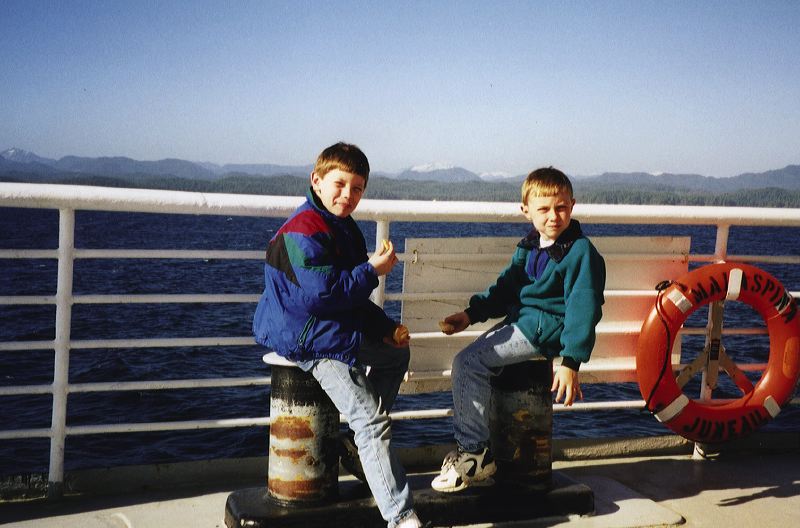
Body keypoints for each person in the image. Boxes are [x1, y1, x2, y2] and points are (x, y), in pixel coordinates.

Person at [253, 142, 424, 528]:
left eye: (358, 188)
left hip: (331, 326)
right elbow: (323, 295)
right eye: (340, 184)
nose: (348, 195)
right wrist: (372, 270)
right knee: (372, 420)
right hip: (309, 337)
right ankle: (400, 517)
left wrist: (385, 329)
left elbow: (349, 299)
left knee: (395, 355)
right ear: (317, 180)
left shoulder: (341, 228)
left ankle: (360, 446)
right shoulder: (302, 231)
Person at [431, 167, 606, 493]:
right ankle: (478, 448)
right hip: (522, 322)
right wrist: (470, 315)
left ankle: (473, 455)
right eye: (543, 209)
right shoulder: (528, 247)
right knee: (471, 362)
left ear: (573, 205)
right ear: (526, 210)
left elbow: (584, 308)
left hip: (546, 329)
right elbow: (506, 289)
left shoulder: (581, 251)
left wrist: (571, 361)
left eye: (561, 207)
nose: (554, 216)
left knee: (467, 363)